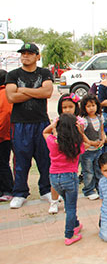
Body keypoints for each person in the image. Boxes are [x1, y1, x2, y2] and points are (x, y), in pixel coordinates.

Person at [6, 43, 54, 210]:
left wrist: (23, 90)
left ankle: (46, 190)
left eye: (29, 53)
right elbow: (11, 97)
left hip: (41, 122)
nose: (25, 56)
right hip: (20, 124)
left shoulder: (45, 73)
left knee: (45, 158)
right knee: (20, 160)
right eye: (23, 53)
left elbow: (47, 93)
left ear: (37, 56)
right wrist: (35, 91)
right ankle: (19, 192)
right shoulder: (12, 75)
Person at [43, 113, 86, 245]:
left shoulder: (53, 142)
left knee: (68, 203)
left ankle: (76, 223)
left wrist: (53, 125)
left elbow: (45, 132)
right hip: (70, 177)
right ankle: (69, 234)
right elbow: (84, 146)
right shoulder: (76, 144)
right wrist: (81, 132)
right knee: (71, 207)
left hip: (54, 179)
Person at [79, 93, 107, 200]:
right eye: (88, 106)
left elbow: (102, 130)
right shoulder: (84, 120)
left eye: (93, 105)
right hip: (88, 151)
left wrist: (103, 139)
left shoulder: (100, 117)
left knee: (98, 170)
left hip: (98, 149)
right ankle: (88, 190)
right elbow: (82, 134)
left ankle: (100, 188)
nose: (91, 108)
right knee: (88, 171)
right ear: (84, 107)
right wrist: (90, 142)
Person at [0, 70, 13, 202]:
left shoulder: (3, 94)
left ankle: (8, 189)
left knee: (3, 163)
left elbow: (4, 115)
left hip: (4, 136)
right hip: (5, 134)